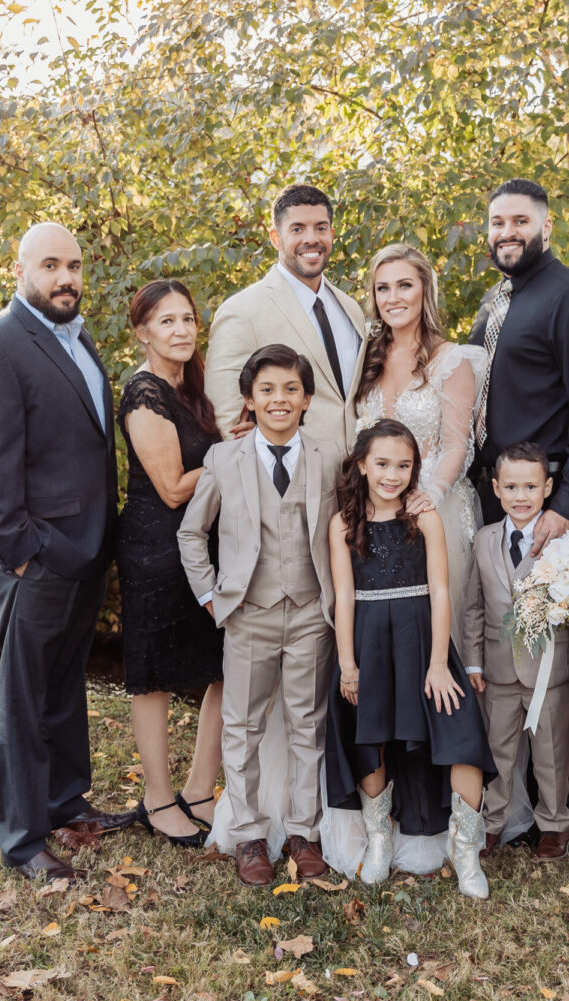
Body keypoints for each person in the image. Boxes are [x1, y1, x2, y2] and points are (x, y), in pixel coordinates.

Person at [0, 221, 136, 882]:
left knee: (65, 685)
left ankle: (65, 801)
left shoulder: (77, 335)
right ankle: (25, 841)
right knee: (24, 701)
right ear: (21, 269)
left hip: (86, 550)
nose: (66, 278)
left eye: (75, 266)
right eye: (51, 265)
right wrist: (23, 553)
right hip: (38, 555)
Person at [177, 344, 343, 886]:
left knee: (306, 724)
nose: (279, 399)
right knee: (243, 726)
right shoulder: (224, 459)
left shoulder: (329, 458)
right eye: (267, 390)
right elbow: (191, 533)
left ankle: (303, 832)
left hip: (311, 613)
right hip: (248, 612)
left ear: (307, 399)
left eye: (290, 390)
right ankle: (249, 834)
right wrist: (210, 596)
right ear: (249, 399)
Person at [321, 419, 497, 898]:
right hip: (369, 642)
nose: (392, 474)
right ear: (362, 464)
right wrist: (348, 663)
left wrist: (439, 662)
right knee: (369, 736)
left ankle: (466, 851)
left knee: (460, 733)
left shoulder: (424, 516)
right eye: (382, 463)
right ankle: (379, 839)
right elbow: (343, 596)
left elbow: (441, 592)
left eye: (403, 465)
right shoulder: (343, 523)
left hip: (423, 640)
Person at [116, 280, 225, 848]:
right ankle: (157, 800)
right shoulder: (144, 394)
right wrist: (236, 453)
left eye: (188, 319)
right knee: (152, 677)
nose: (181, 330)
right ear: (143, 332)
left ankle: (201, 788)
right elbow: (173, 487)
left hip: (205, 545)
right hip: (156, 546)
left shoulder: (195, 388)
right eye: (166, 322)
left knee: (226, 664)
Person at [352, 243, 486, 646]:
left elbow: (457, 447)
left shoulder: (452, 360)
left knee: (440, 631)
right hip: (376, 507)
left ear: (425, 290)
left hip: (434, 506)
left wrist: (427, 495)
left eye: (404, 285)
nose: (393, 298)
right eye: (382, 288)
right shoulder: (366, 359)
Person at [468, 178, 569, 555]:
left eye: (520, 221)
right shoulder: (493, 300)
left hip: (546, 501)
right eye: (497, 223)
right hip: (491, 497)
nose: (507, 232)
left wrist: (567, 505)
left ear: (546, 227)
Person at [462, 442, 569, 861]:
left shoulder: (563, 540)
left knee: (551, 751)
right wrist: (473, 659)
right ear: (495, 488)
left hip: (547, 666)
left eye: (530, 486)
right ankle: (493, 824)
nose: (521, 496)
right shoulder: (484, 539)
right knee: (498, 749)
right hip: (496, 667)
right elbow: (473, 605)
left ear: (547, 488)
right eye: (511, 487)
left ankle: (555, 823)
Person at [205, 184, 368, 446]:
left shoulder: (351, 309)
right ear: (275, 237)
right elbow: (225, 422)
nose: (311, 238)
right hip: (287, 480)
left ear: (332, 234)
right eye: (297, 228)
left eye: (321, 227)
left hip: (354, 478)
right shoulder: (241, 311)